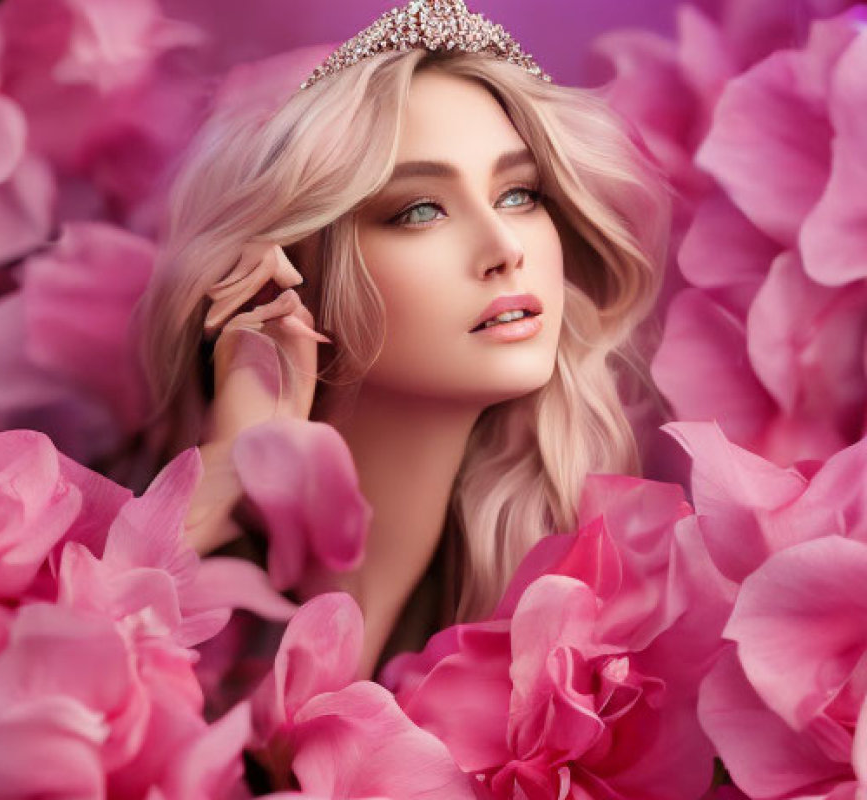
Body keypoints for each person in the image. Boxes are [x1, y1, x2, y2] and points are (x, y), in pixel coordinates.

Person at [139, 0, 669, 678]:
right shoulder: (206, 631)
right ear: (291, 273)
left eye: (519, 195)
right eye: (421, 210)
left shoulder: (576, 598)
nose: (505, 248)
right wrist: (228, 471)